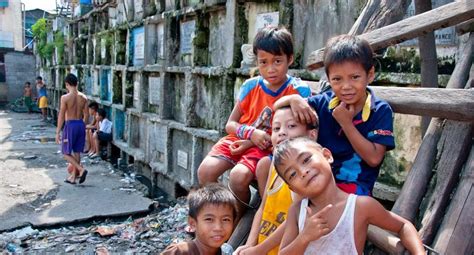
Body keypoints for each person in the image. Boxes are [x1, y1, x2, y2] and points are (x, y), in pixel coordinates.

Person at [197, 26, 311, 214]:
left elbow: (297, 131)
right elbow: (230, 124)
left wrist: (253, 142)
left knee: (238, 177)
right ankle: (222, 213)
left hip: (266, 146)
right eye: (263, 62)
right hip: (242, 138)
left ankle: (238, 216)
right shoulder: (251, 86)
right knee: (205, 172)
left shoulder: (298, 91)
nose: (270, 69)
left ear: (290, 59)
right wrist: (251, 134)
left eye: (277, 61)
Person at [274, 34, 395, 195]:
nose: (346, 86)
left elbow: (374, 159)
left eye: (355, 77)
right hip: (317, 179)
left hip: (354, 187)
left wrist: (346, 123)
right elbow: (276, 106)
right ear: (329, 79)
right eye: (337, 79)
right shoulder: (323, 103)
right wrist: (294, 98)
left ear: (370, 74)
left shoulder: (379, 110)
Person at [273, 138, 425, 255]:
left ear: (327, 156)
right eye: (292, 174)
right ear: (292, 188)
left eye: (306, 160)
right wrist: (304, 237)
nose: (303, 172)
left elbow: (403, 226)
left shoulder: (361, 207)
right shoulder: (298, 211)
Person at [234, 106, 318, 255]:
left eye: (291, 126)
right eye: (276, 128)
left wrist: (258, 250)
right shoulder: (274, 166)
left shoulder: (304, 176)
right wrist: (250, 243)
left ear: (311, 135)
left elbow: (294, 220)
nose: (282, 133)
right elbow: (263, 207)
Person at [161, 183, 238, 255]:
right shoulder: (179, 252)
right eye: (209, 219)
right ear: (192, 223)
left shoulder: (225, 251)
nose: (218, 228)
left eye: (225, 220)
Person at [55, 73, 89, 184]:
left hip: (70, 125)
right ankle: (73, 177)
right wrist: (83, 126)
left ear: (67, 84)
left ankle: (81, 169)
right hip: (80, 124)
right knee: (77, 151)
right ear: (77, 83)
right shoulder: (84, 97)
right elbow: (87, 115)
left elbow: (61, 115)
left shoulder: (65, 98)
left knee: (65, 152)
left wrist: (58, 132)